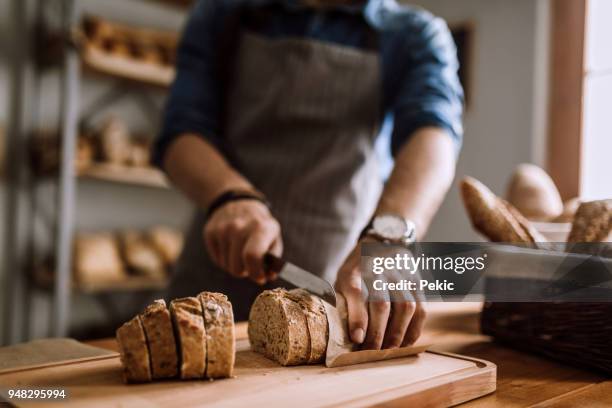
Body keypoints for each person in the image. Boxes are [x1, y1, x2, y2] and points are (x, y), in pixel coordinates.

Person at [154, 0, 463, 350]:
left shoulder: (413, 35)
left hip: (335, 285)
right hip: (215, 267)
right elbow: (181, 132)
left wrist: (389, 236)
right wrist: (230, 196)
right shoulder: (222, 14)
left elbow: (433, 137)